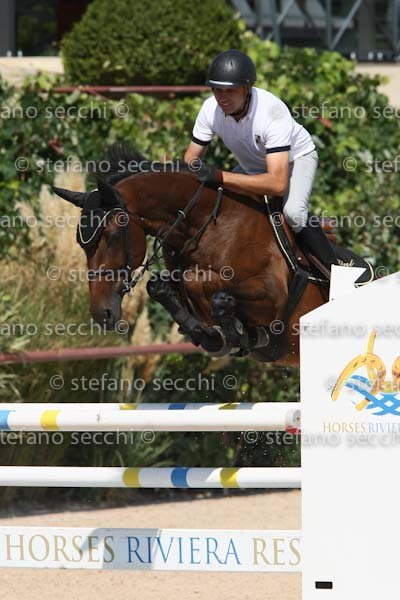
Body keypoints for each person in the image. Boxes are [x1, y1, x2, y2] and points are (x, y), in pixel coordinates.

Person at [184, 49, 337, 270]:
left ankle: (334, 269)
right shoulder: (210, 109)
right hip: (252, 166)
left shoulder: (271, 112)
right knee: (217, 201)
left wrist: (220, 176)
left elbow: (277, 184)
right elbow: (191, 158)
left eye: (230, 90)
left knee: (293, 213)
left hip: (295, 160)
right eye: (217, 90)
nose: (222, 98)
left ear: (247, 89)